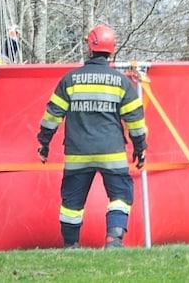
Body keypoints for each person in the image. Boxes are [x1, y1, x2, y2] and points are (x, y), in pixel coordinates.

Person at [36, 23, 147, 249]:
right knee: (120, 195)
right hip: (112, 152)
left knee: (72, 202)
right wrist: (139, 148)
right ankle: (114, 240)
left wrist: (44, 143)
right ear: (112, 50)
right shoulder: (122, 83)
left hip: (78, 153)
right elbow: (135, 121)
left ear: (89, 48)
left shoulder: (70, 80)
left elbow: (52, 116)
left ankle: (71, 245)